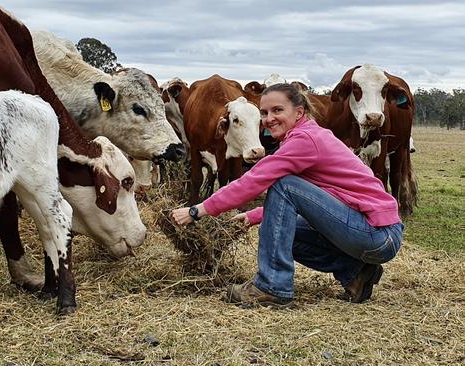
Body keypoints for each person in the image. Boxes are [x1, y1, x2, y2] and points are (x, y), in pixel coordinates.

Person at [171, 83, 403, 309]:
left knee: (283, 184)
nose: (269, 118)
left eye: (278, 110)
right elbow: (319, 197)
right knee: (275, 230)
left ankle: (272, 287)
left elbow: (255, 180)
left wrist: (198, 210)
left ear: (299, 112)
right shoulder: (307, 137)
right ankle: (356, 273)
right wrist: (254, 216)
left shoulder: (305, 140)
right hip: (369, 230)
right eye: (264, 112)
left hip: (377, 234)